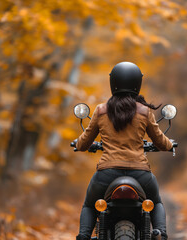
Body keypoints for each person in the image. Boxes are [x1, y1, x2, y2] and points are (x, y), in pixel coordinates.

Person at [75, 62, 173, 240]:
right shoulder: (144, 111)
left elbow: (83, 143)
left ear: (113, 82)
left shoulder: (100, 110)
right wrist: (169, 145)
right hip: (140, 173)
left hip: (107, 174)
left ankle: (83, 236)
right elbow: (160, 141)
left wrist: (78, 143)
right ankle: (160, 233)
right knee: (157, 202)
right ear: (138, 84)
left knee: (89, 205)